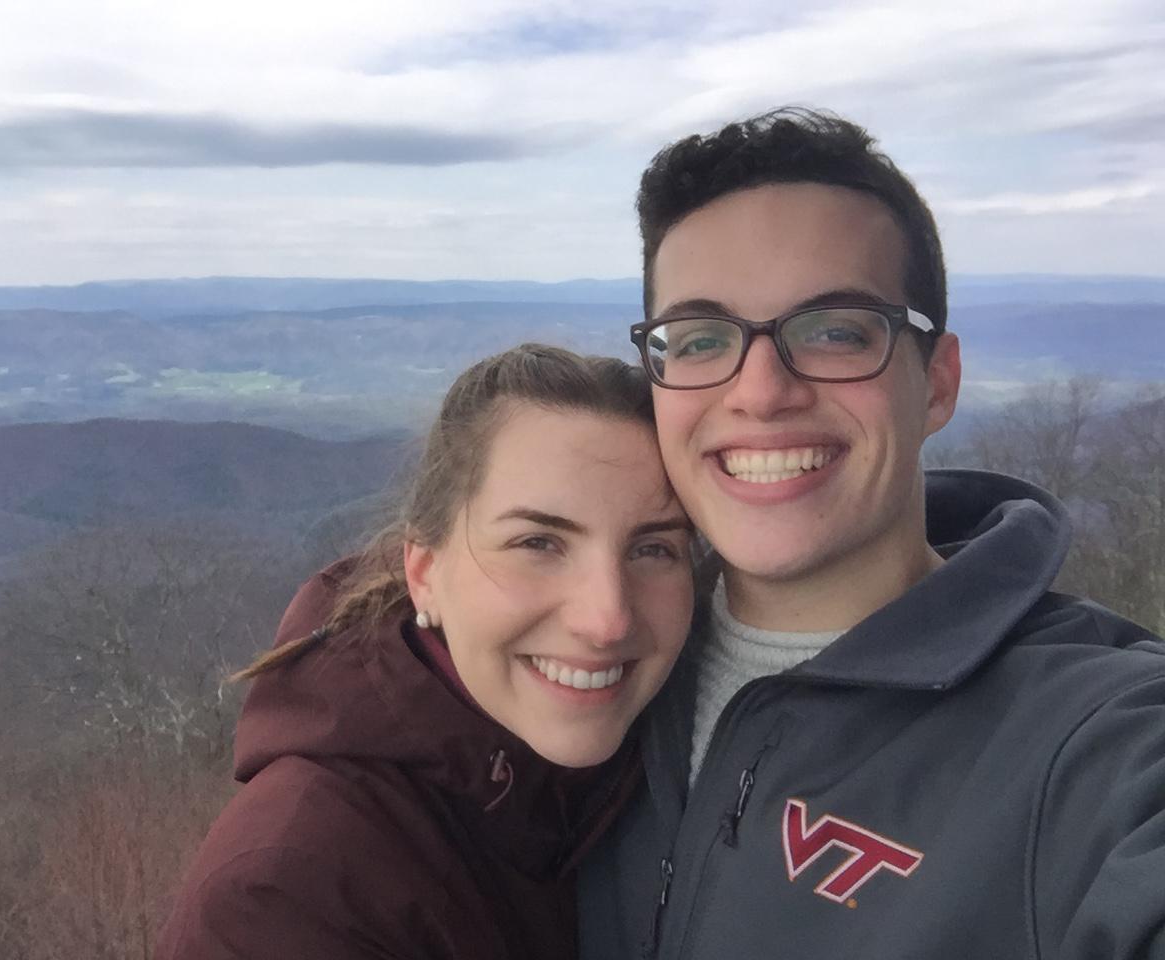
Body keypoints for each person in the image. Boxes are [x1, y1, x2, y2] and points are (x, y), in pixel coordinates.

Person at [578, 109, 1165, 959]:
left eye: (836, 331)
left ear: (937, 383)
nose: (761, 391)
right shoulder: (595, 662)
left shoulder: (1095, 742)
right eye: (702, 338)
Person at [155, 343, 696, 960]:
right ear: (425, 573)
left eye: (653, 549)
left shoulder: (660, 772)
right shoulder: (288, 898)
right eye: (538, 543)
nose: (608, 619)